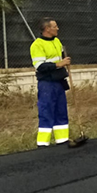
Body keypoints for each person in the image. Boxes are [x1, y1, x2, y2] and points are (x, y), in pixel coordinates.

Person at [30, 17, 71, 147]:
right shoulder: (37, 45)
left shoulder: (57, 41)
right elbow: (40, 66)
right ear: (47, 29)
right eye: (55, 26)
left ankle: (62, 140)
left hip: (59, 81)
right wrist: (59, 64)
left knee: (61, 111)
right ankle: (43, 144)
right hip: (47, 83)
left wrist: (65, 61)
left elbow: (61, 56)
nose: (57, 28)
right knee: (46, 111)